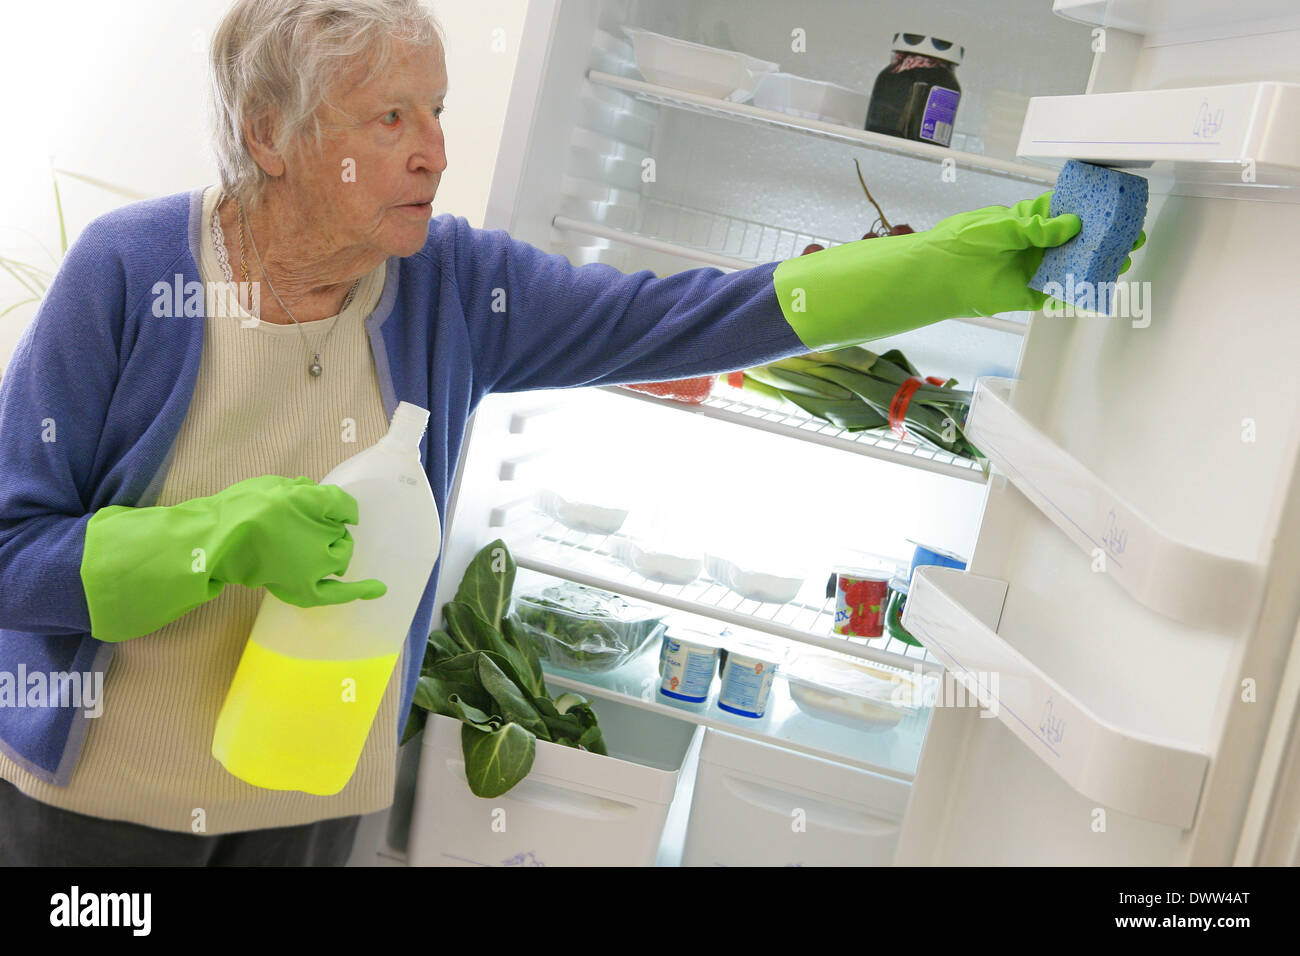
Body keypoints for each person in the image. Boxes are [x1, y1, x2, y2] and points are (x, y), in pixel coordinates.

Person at [0, 0, 1094, 866]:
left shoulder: (453, 282)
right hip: (100, 810)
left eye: (437, 109)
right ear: (270, 135)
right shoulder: (131, 270)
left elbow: (678, 316)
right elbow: (12, 556)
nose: (434, 149)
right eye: (391, 117)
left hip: (310, 799)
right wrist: (214, 541)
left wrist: (941, 264)